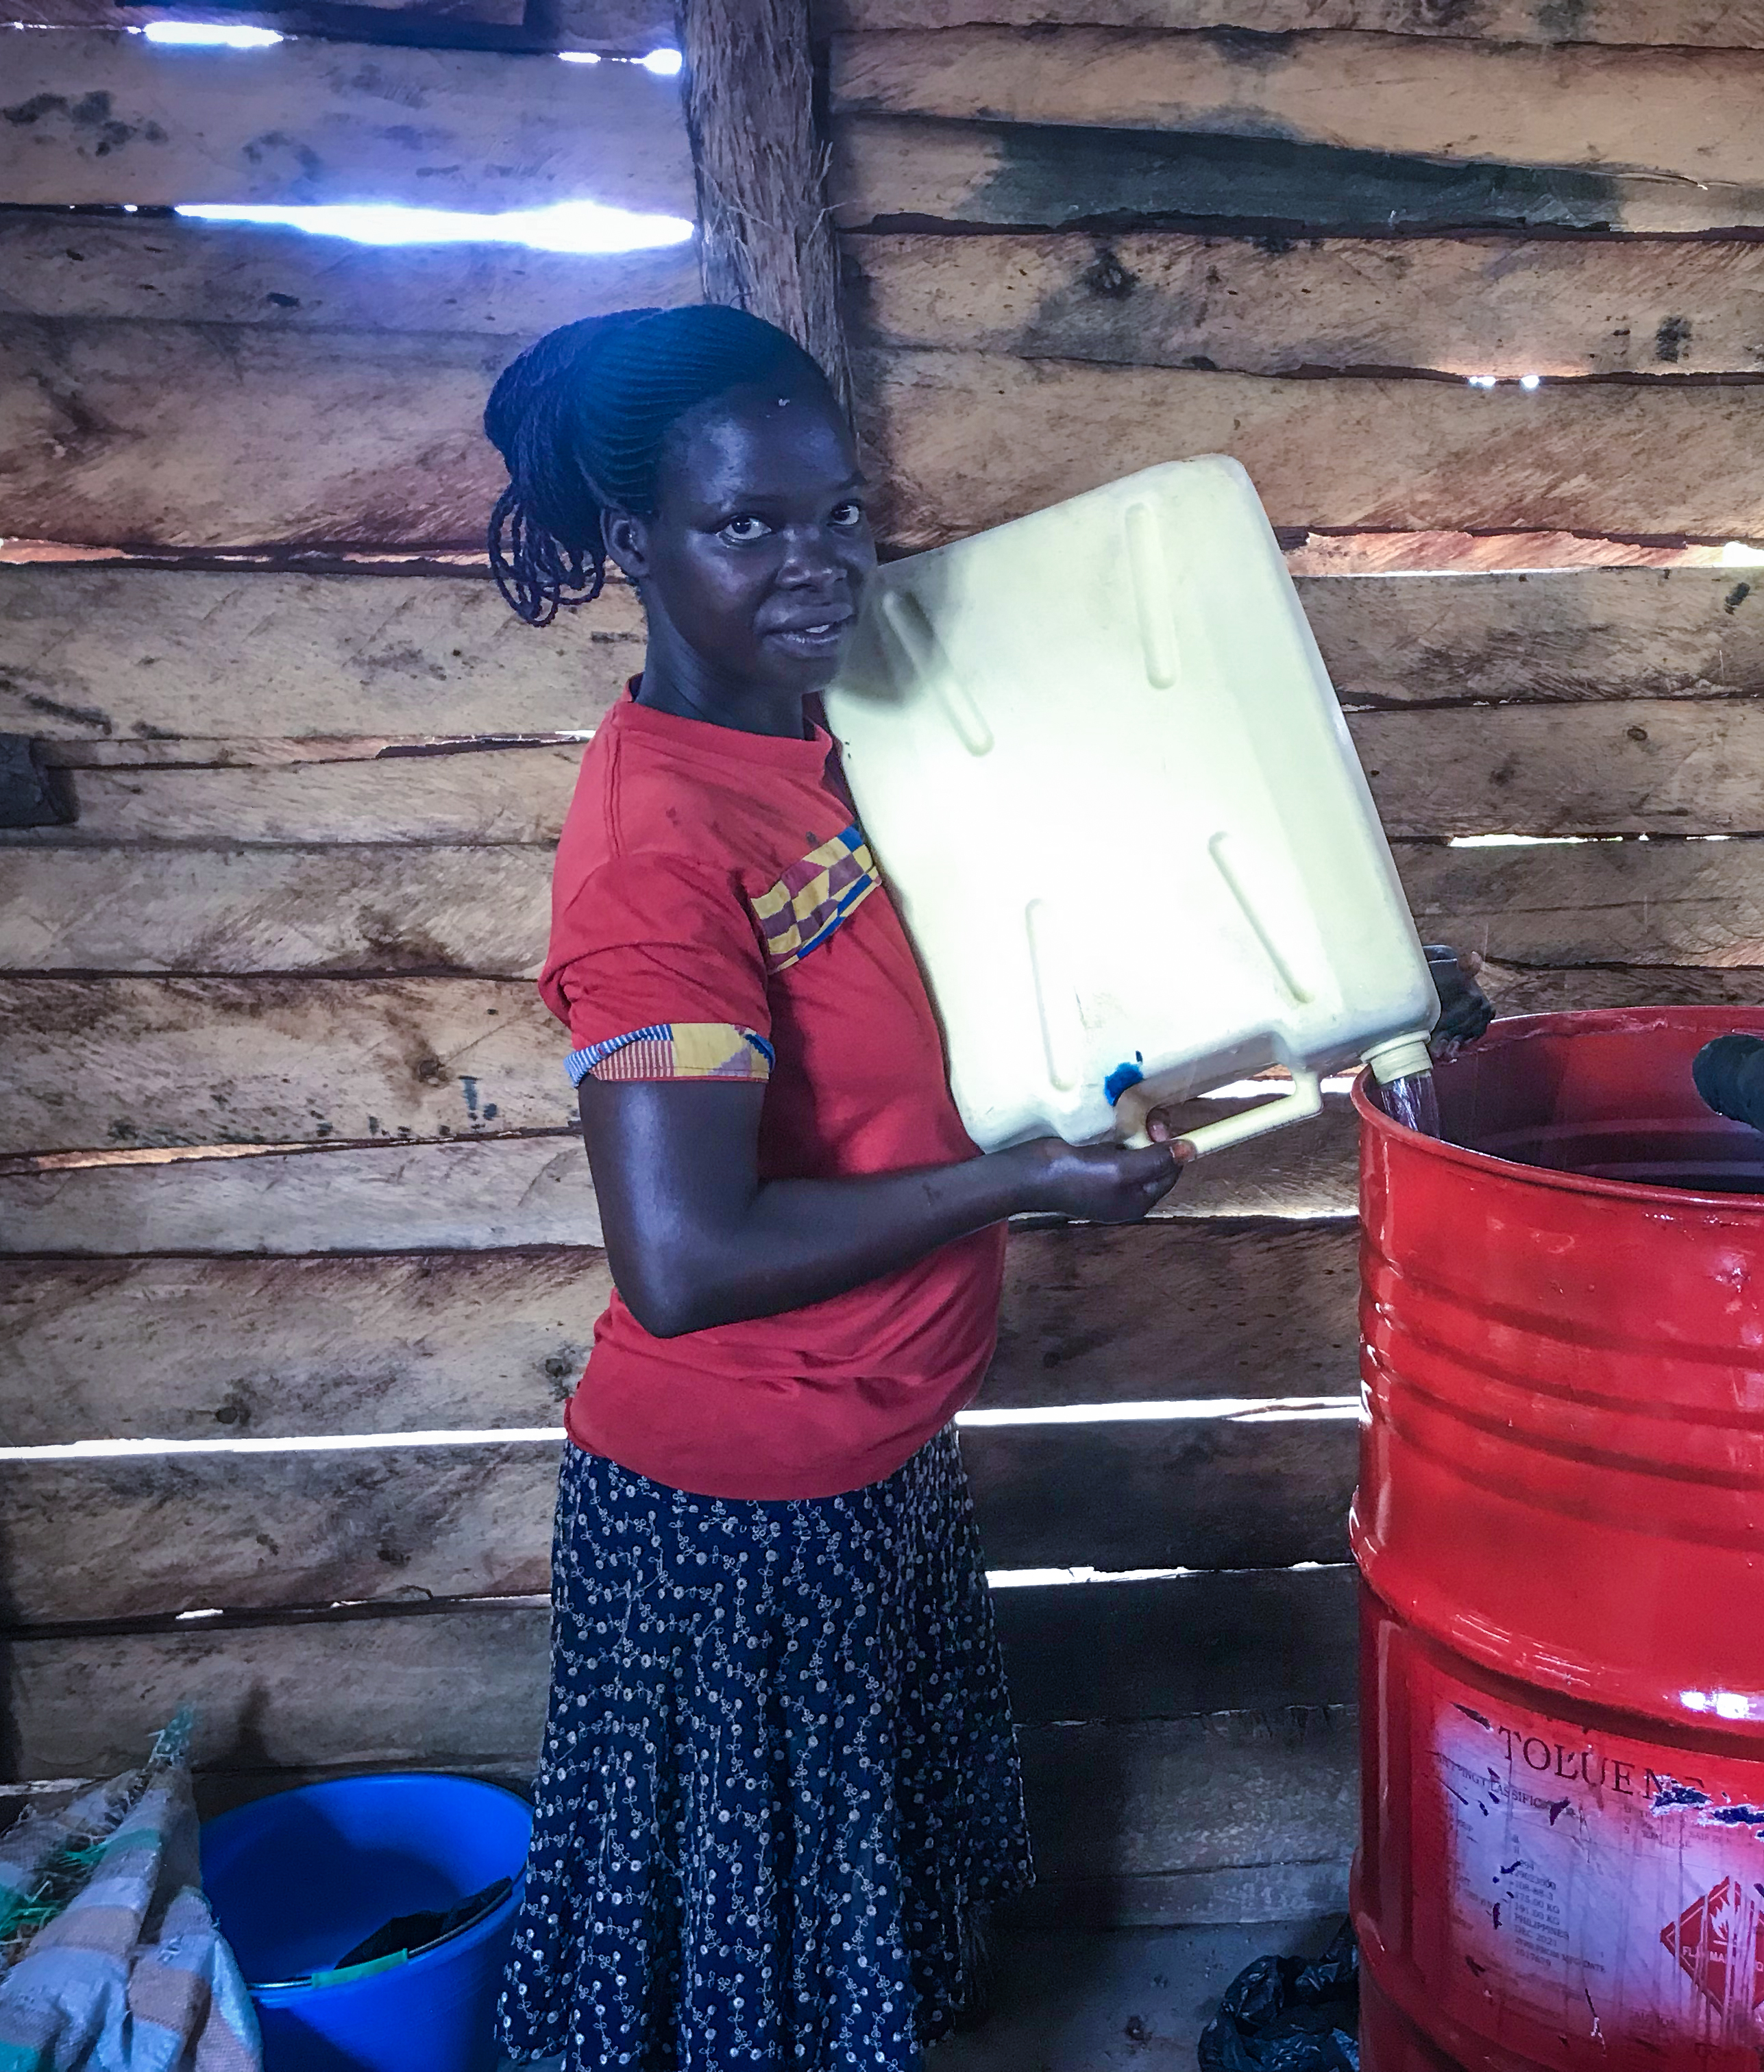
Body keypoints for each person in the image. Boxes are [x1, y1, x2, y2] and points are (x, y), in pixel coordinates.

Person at [479, 304, 1190, 2071]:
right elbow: (684, 1258)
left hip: (870, 1448)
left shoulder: (832, 747)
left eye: (835, 513)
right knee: (746, 2004)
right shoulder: (661, 856)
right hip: (741, 1517)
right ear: (639, 544)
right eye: (746, 526)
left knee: (839, 1954)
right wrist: (1016, 1183)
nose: (816, 564)